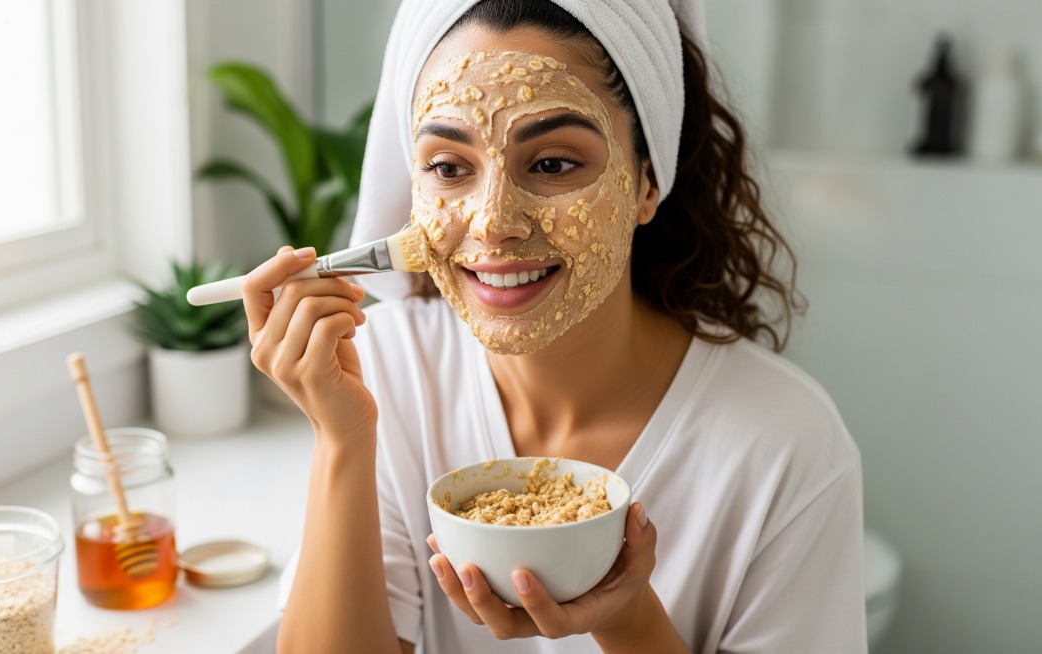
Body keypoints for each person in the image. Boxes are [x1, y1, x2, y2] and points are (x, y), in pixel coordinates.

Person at [246, 1, 866, 652]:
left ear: (646, 182)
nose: (493, 223)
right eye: (449, 168)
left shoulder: (786, 446)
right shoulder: (385, 374)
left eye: (552, 164)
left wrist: (627, 619)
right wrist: (342, 439)